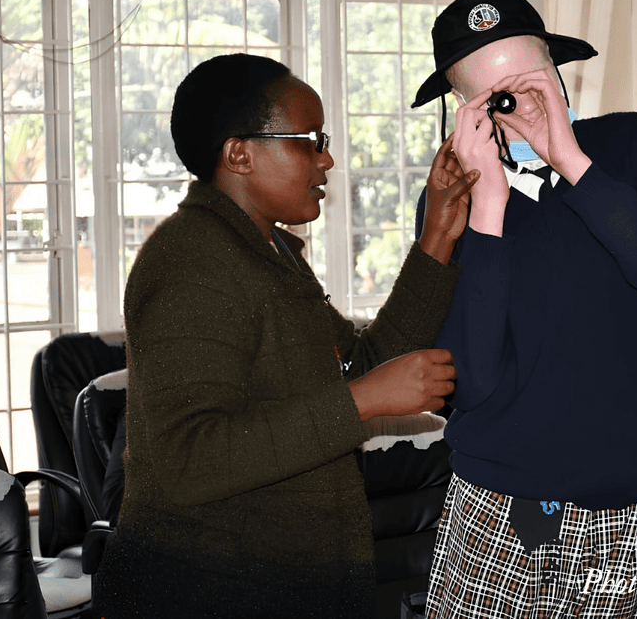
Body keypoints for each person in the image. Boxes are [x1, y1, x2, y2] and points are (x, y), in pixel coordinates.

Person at [92, 53, 478, 617]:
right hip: (205, 591)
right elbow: (189, 457)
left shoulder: (267, 252)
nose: (327, 160)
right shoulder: (192, 261)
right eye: (309, 140)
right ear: (239, 153)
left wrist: (438, 235)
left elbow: (358, 365)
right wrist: (365, 400)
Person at [410, 0, 637, 618]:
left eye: (536, 81)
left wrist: (575, 165)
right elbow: (465, 382)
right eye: (501, 97)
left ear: (559, 70)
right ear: (466, 109)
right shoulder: (454, 198)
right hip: (491, 514)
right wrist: (491, 213)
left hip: (619, 518)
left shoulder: (629, 149)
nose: (525, 105)